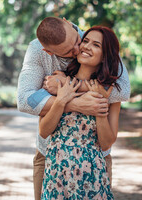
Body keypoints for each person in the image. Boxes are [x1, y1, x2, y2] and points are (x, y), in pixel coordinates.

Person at [17, 17, 130, 200]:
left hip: (93, 170)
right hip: (54, 167)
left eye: (79, 40)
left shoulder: (104, 87)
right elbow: (26, 103)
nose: (80, 48)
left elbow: (123, 92)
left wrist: (94, 104)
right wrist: (70, 101)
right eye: (71, 49)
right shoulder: (56, 79)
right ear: (48, 52)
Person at [40, 26, 123, 199]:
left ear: (105, 56)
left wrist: (99, 109)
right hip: (57, 173)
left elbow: (107, 143)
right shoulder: (58, 81)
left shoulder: (109, 92)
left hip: (91, 176)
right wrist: (62, 100)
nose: (86, 46)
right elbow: (44, 131)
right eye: (85, 41)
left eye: (96, 45)